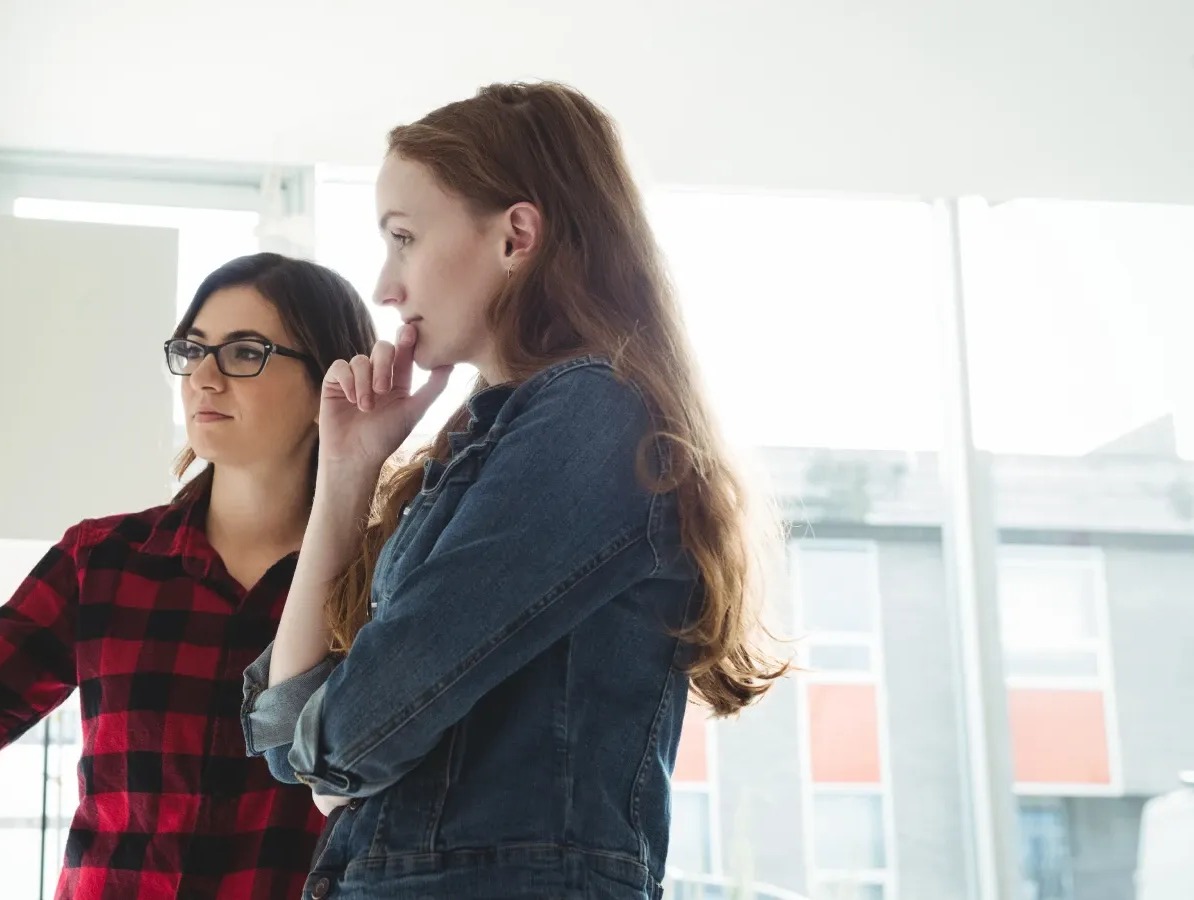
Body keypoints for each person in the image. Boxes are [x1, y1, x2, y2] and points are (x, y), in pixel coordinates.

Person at [240, 82, 790, 899]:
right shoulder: (490, 442)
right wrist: (346, 478)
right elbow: (293, 735)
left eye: (404, 238)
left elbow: (345, 742)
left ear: (516, 236)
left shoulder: (595, 418)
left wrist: (338, 750)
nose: (386, 286)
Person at [0, 253, 378, 900]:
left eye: (245, 352)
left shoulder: (387, 581)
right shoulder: (102, 563)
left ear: (329, 385)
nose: (203, 378)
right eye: (192, 351)